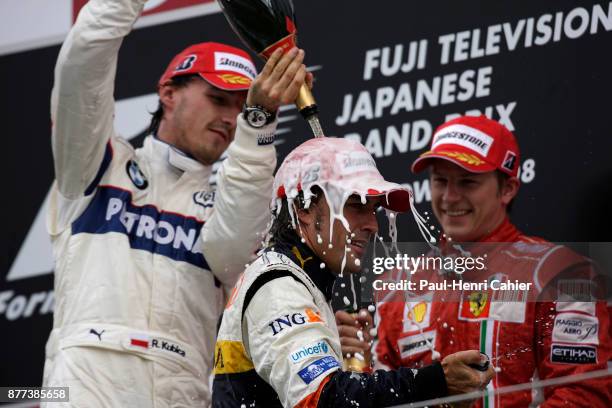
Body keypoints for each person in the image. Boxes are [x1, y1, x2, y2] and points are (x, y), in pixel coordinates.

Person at [42, 0, 311, 406]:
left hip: (182, 388)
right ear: (168, 92)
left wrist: (259, 119)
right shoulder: (96, 166)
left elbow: (232, 254)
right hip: (85, 384)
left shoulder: (231, 202)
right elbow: (84, 58)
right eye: (218, 99)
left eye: (240, 107)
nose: (229, 117)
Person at [212, 137, 494, 408]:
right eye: (357, 205)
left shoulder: (295, 280)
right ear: (304, 208)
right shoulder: (278, 286)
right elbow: (322, 400)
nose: (372, 224)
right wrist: (435, 381)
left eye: (374, 210)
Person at [373, 115, 612, 407]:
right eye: (440, 181)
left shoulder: (559, 273)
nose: (450, 197)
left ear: (508, 189)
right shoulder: (399, 284)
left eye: (467, 182)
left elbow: (584, 393)